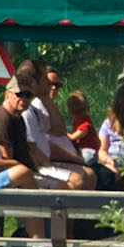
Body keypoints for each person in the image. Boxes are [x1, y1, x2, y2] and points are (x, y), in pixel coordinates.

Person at [0, 75, 57, 247]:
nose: (25, 99)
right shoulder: (2, 118)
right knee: (55, 190)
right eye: (20, 95)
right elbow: (5, 159)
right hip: (10, 175)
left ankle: (41, 246)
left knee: (66, 185)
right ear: (8, 95)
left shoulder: (18, 117)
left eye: (29, 95)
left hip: (24, 172)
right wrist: (30, 171)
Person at [17, 59, 93, 190]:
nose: (48, 83)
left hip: (47, 163)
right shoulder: (26, 110)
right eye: (45, 78)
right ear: (34, 82)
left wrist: (46, 97)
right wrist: (48, 164)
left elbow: (59, 130)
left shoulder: (37, 108)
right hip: (38, 166)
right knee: (77, 180)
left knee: (91, 175)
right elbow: (31, 148)